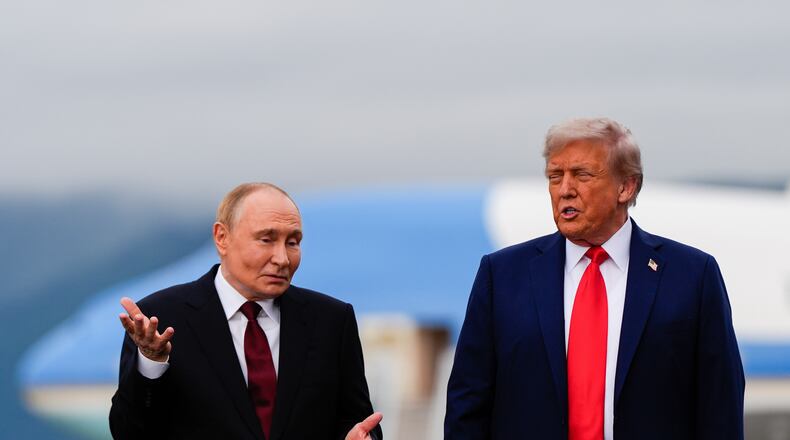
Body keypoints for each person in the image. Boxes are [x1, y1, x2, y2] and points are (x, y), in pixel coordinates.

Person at [445, 118, 744, 440]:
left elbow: (720, 406)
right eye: (555, 176)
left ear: (626, 187)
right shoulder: (502, 275)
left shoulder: (692, 275)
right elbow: (467, 405)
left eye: (582, 175)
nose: (565, 190)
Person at [110, 182, 383, 440]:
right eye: (266, 239)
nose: (282, 259)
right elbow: (128, 432)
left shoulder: (331, 321)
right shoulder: (160, 317)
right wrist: (151, 362)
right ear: (222, 237)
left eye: (293, 242)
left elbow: (357, 420)